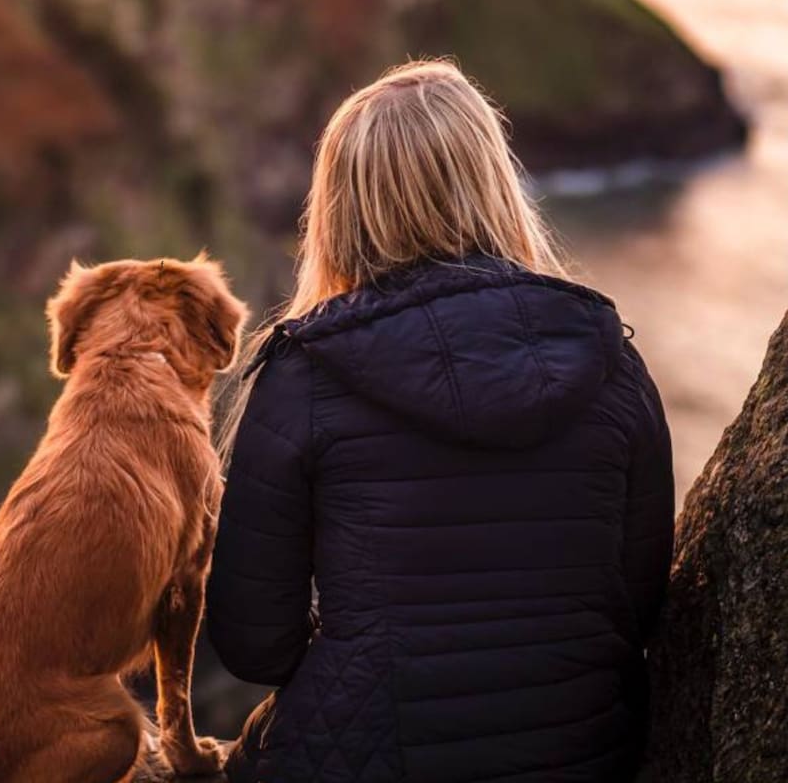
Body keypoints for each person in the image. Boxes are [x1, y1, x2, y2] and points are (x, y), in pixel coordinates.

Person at [206, 60, 675, 783]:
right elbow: (639, 607)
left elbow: (253, 646)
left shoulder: (306, 372)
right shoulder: (610, 358)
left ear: (341, 206)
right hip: (582, 754)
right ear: (492, 178)